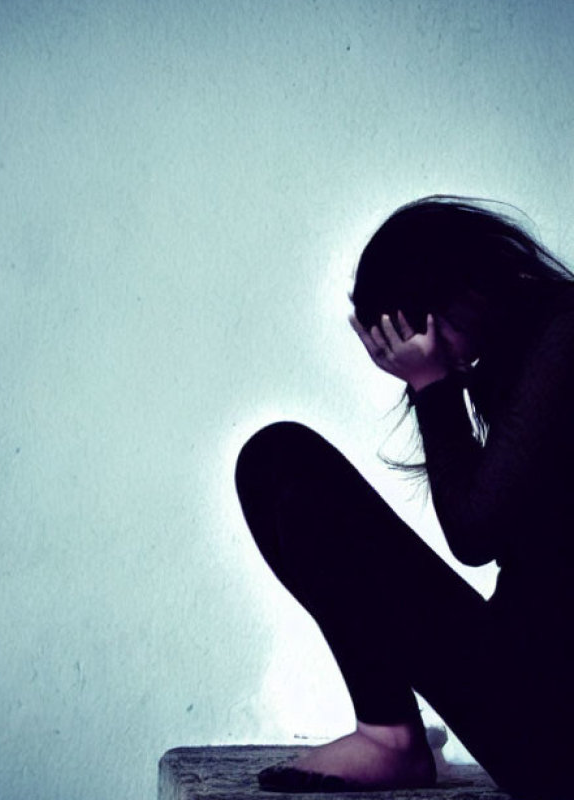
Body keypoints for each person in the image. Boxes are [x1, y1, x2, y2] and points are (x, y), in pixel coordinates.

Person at [234, 196, 574, 799]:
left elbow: (474, 534)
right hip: (531, 695)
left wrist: (432, 384)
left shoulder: (565, 334)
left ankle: (391, 741)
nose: (445, 353)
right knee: (274, 462)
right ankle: (387, 734)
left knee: (290, 470)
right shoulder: (527, 348)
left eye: (422, 330)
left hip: (554, 730)